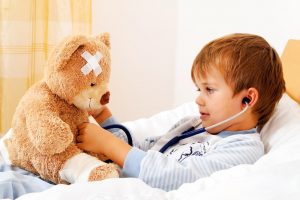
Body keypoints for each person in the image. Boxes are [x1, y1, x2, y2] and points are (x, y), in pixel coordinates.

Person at [76, 33, 286, 191]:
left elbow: (176, 177)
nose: (198, 99)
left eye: (209, 90)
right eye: (199, 89)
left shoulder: (243, 149)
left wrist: (108, 145)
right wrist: (103, 116)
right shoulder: (193, 125)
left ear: (247, 99)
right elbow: (141, 152)